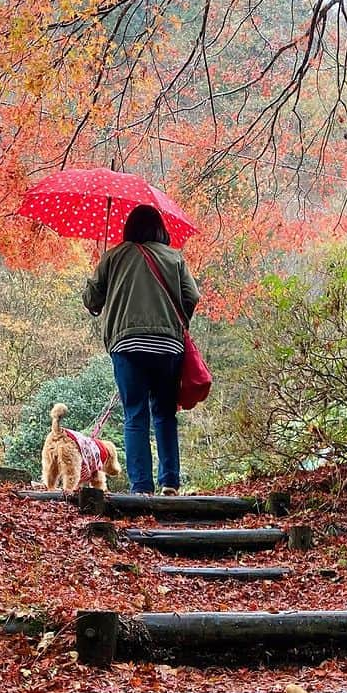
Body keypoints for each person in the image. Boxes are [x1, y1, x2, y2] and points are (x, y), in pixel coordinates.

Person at [83, 205, 200, 495]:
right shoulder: (174, 258)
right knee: (164, 413)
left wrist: (102, 271)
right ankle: (170, 481)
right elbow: (192, 296)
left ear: (129, 229)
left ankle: (141, 486)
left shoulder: (114, 256)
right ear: (160, 229)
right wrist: (175, 320)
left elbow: (91, 300)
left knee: (135, 414)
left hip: (127, 344)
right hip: (168, 346)